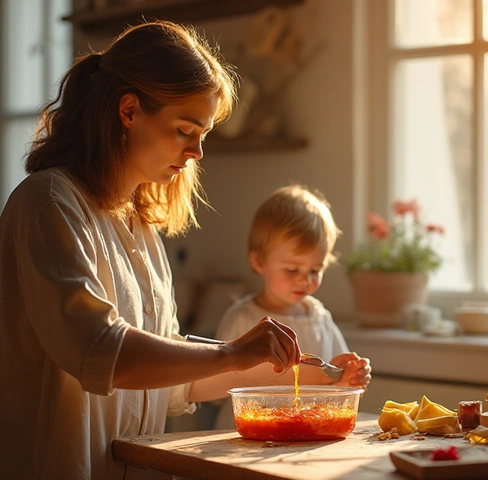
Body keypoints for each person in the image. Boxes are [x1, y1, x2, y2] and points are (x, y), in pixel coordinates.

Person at [0, 21, 301, 480]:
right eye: (185, 129)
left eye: (202, 134)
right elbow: (100, 352)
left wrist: (287, 367)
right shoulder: (49, 204)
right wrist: (232, 354)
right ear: (128, 111)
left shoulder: (139, 225)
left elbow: (175, 382)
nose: (198, 151)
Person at [208, 185, 372, 429]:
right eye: (292, 270)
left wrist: (348, 379)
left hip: (307, 432)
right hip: (245, 436)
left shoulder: (319, 318)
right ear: (259, 262)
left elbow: (334, 382)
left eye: (315, 271)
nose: (305, 280)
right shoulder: (242, 318)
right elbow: (215, 387)